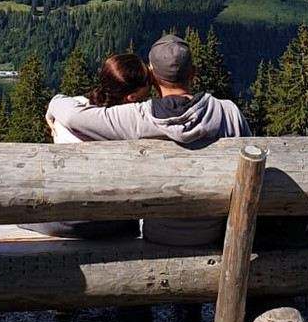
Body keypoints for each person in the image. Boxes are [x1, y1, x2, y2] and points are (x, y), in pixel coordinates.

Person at [46, 34, 251, 247]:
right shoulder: (229, 112)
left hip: (158, 236)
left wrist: (55, 102)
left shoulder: (138, 117)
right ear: (193, 73)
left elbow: (72, 117)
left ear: (152, 76)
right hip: (218, 235)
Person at [22, 53, 152, 239]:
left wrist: (54, 103)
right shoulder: (127, 124)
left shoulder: (70, 110)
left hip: (61, 217)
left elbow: (61, 102)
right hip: (108, 223)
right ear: (131, 97)